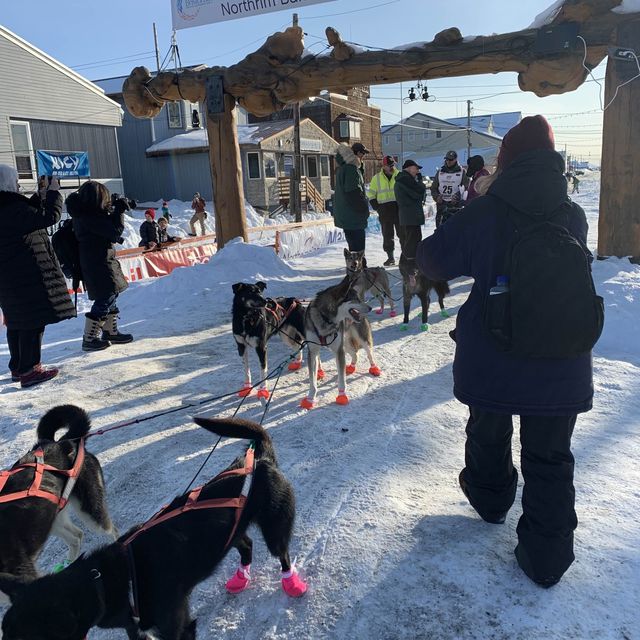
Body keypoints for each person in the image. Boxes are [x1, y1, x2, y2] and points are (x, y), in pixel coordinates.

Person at [416, 115, 594, 588]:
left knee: (489, 431)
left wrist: (479, 201)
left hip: (494, 358)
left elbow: (430, 259)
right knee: (550, 457)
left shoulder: (486, 211)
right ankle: (547, 560)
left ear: (505, 161)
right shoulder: (572, 214)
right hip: (562, 358)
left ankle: (491, 502)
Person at [0, 165, 75, 388]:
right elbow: (47, 216)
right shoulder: (11, 209)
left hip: (9, 279)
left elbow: (30, 215)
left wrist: (40, 194)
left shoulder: (7, 208)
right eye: (15, 180)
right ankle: (30, 369)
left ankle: (19, 367)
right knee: (33, 320)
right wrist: (53, 193)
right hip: (26, 276)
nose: (19, 185)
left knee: (16, 321)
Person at [66, 181, 133, 351]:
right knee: (105, 297)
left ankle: (110, 331)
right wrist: (119, 211)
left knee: (111, 294)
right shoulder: (89, 218)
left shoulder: (86, 215)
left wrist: (115, 210)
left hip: (98, 261)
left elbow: (107, 228)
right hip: (98, 263)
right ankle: (90, 338)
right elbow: (114, 232)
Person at [333, 142, 370, 253]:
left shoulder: (344, 167)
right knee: (358, 245)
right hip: (353, 215)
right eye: (362, 153)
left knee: (353, 245)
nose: (363, 156)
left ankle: (355, 267)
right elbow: (353, 192)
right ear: (357, 153)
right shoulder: (351, 169)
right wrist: (364, 208)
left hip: (347, 214)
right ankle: (360, 267)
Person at [368, 155, 400, 266]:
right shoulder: (376, 178)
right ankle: (390, 258)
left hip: (398, 209)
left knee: (404, 234)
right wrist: (377, 207)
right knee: (387, 235)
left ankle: (406, 257)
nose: (392, 167)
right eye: (389, 165)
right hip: (384, 210)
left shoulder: (399, 175)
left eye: (393, 165)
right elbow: (371, 194)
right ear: (384, 166)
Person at [394, 159, 426, 265]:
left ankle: (409, 264)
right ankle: (409, 266)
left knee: (413, 240)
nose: (417, 171)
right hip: (410, 216)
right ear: (408, 168)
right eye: (416, 168)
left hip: (410, 216)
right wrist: (420, 183)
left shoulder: (406, 180)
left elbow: (419, 194)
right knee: (412, 242)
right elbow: (418, 193)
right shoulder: (405, 180)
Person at [430, 150, 469, 227]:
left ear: (455, 160)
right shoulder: (440, 172)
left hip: (455, 206)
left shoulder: (462, 172)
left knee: (455, 231)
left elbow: (467, 188)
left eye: (450, 160)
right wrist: (436, 197)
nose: (448, 161)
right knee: (440, 231)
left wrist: (458, 197)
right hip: (442, 205)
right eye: (447, 159)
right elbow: (433, 188)